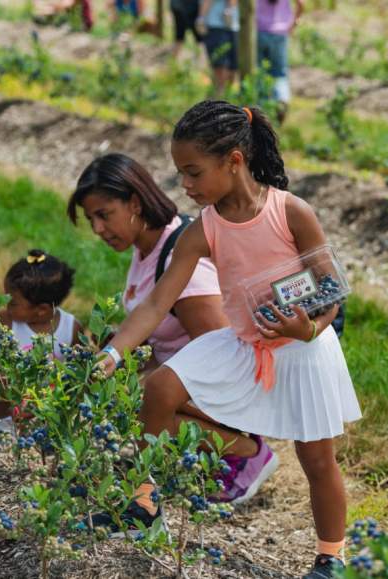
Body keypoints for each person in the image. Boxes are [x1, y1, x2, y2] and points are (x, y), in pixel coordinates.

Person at [97, 101, 361, 578]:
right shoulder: (202, 231)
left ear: (234, 160)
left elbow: (332, 291)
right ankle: (145, 505)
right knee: (159, 389)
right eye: (182, 174)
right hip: (243, 344)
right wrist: (116, 351)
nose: (186, 186)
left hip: (303, 348)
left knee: (316, 458)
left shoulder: (291, 212)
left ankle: (331, 556)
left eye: (193, 173)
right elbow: (156, 304)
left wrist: (306, 328)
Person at [67, 153, 279, 505]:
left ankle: (246, 453)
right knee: (120, 386)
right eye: (92, 220)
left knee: (135, 396)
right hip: (191, 383)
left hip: (234, 385)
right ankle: (185, 449)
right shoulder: (149, 247)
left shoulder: (182, 262)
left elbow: (226, 349)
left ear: (135, 203)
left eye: (104, 215)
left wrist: (146, 388)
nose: (98, 230)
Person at [0, 249, 83, 417]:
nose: (6, 304)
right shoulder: (7, 320)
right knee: (2, 369)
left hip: (39, 400)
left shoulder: (71, 329)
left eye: (12, 302)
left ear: (42, 310)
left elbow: (80, 369)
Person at [257, 0, 304, 123]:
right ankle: (282, 100)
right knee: (279, 74)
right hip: (280, 33)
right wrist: (294, 23)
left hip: (260, 31)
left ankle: (261, 112)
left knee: (260, 73)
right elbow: (301, 4)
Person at [196, 0, 239, 95]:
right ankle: (221, 98)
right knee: (222, 67)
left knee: (226, 67)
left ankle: (223, 98)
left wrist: (201, 18)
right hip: (221, 24)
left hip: (225, 25)